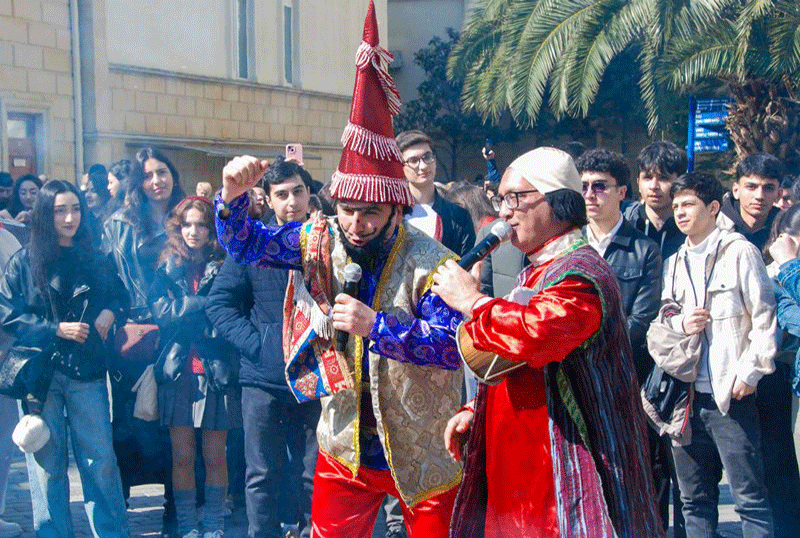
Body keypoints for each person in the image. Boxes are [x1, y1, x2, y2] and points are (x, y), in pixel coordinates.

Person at [215, 5, 464, 535]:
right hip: (344, 443)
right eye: (348, 208)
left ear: (398, 208)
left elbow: (451, 344)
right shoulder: (317, 236)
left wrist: (379, 327)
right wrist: (232, 199)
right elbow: (247, 247)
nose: (355, 222)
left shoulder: (435, 262)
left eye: (371, 211)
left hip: (422, 449)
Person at [434, 147, 663, 538]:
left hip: (564, 469)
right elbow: (514, 359)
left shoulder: (581, 273)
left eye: (515, 198)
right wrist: (477, 407)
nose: (504, 212)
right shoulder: (539, 269)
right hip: (522, 467)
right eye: (501, 199)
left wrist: (472, 301)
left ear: (556, 202)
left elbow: (537, 337)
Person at [0, 180, 130, 537]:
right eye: (60, 210)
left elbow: (122, 295)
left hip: (87, 373)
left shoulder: (94, 256)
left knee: (100, 461)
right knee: (46, 467)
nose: (70, 217)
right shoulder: (25, 261)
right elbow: (7, 313)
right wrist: (55, 329)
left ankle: (112, 533)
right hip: (39, 378)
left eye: (75, 209)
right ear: (45, 213)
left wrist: (109, 312)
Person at [207, 158, 320, 538]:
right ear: (269, 200)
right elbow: (218, 304)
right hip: (263, 379)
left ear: (309, 195)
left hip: (314, 376)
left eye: (298, 192)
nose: (292, 201)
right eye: (282, 194)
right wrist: (259, 346)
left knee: (313, 472)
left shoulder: (326, 244)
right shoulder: (256, 246)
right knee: (261, 475)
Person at [662, 172, 776, 538]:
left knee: (750, 500)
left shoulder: (739, 251)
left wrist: (750, 373)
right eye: (676, 206)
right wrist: (681, 321)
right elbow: (664, 315)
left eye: (688, 205)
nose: (680, 213)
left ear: (713, 207)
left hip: (731, 397)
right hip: (686, 399)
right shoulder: (675, 261)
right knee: (694, 501)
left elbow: (764, 317)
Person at [104, 147, 186, 537]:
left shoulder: (186, 216)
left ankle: (173, 512)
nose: (157, 180)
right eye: (149, 174)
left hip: (177, 335)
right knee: (127, 426)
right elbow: (108, 277)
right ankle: (121, 514)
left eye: (163, 172)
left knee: (175, 426)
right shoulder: (120, 222)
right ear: (137, 182)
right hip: (133, 341)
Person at [149, 197, 239, 538]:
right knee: (182, 456)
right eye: (187, 224)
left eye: (201, 224)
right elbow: (162, 313)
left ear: (211, 228)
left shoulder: (224, 262)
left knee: (216, 455)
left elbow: (226, 313)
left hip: (215, 369)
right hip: (178, 369)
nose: (194, 231)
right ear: (177, 227)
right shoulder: (167, 264)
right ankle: (188, 526)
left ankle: (214, 525)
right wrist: (200, 306)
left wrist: (187, 308)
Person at [395, 130, 475, 257]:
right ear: (401, 167)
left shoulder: (459, 216)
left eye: (427, 157)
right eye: (413, 160)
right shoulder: (392, 215)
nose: (423, 166)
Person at [624, 141, 687, 258]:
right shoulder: (623, 227)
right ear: (638, 182)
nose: (654, 186)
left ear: (680, 182)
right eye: (647, 178)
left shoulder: (690, 230)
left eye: (663, 178)